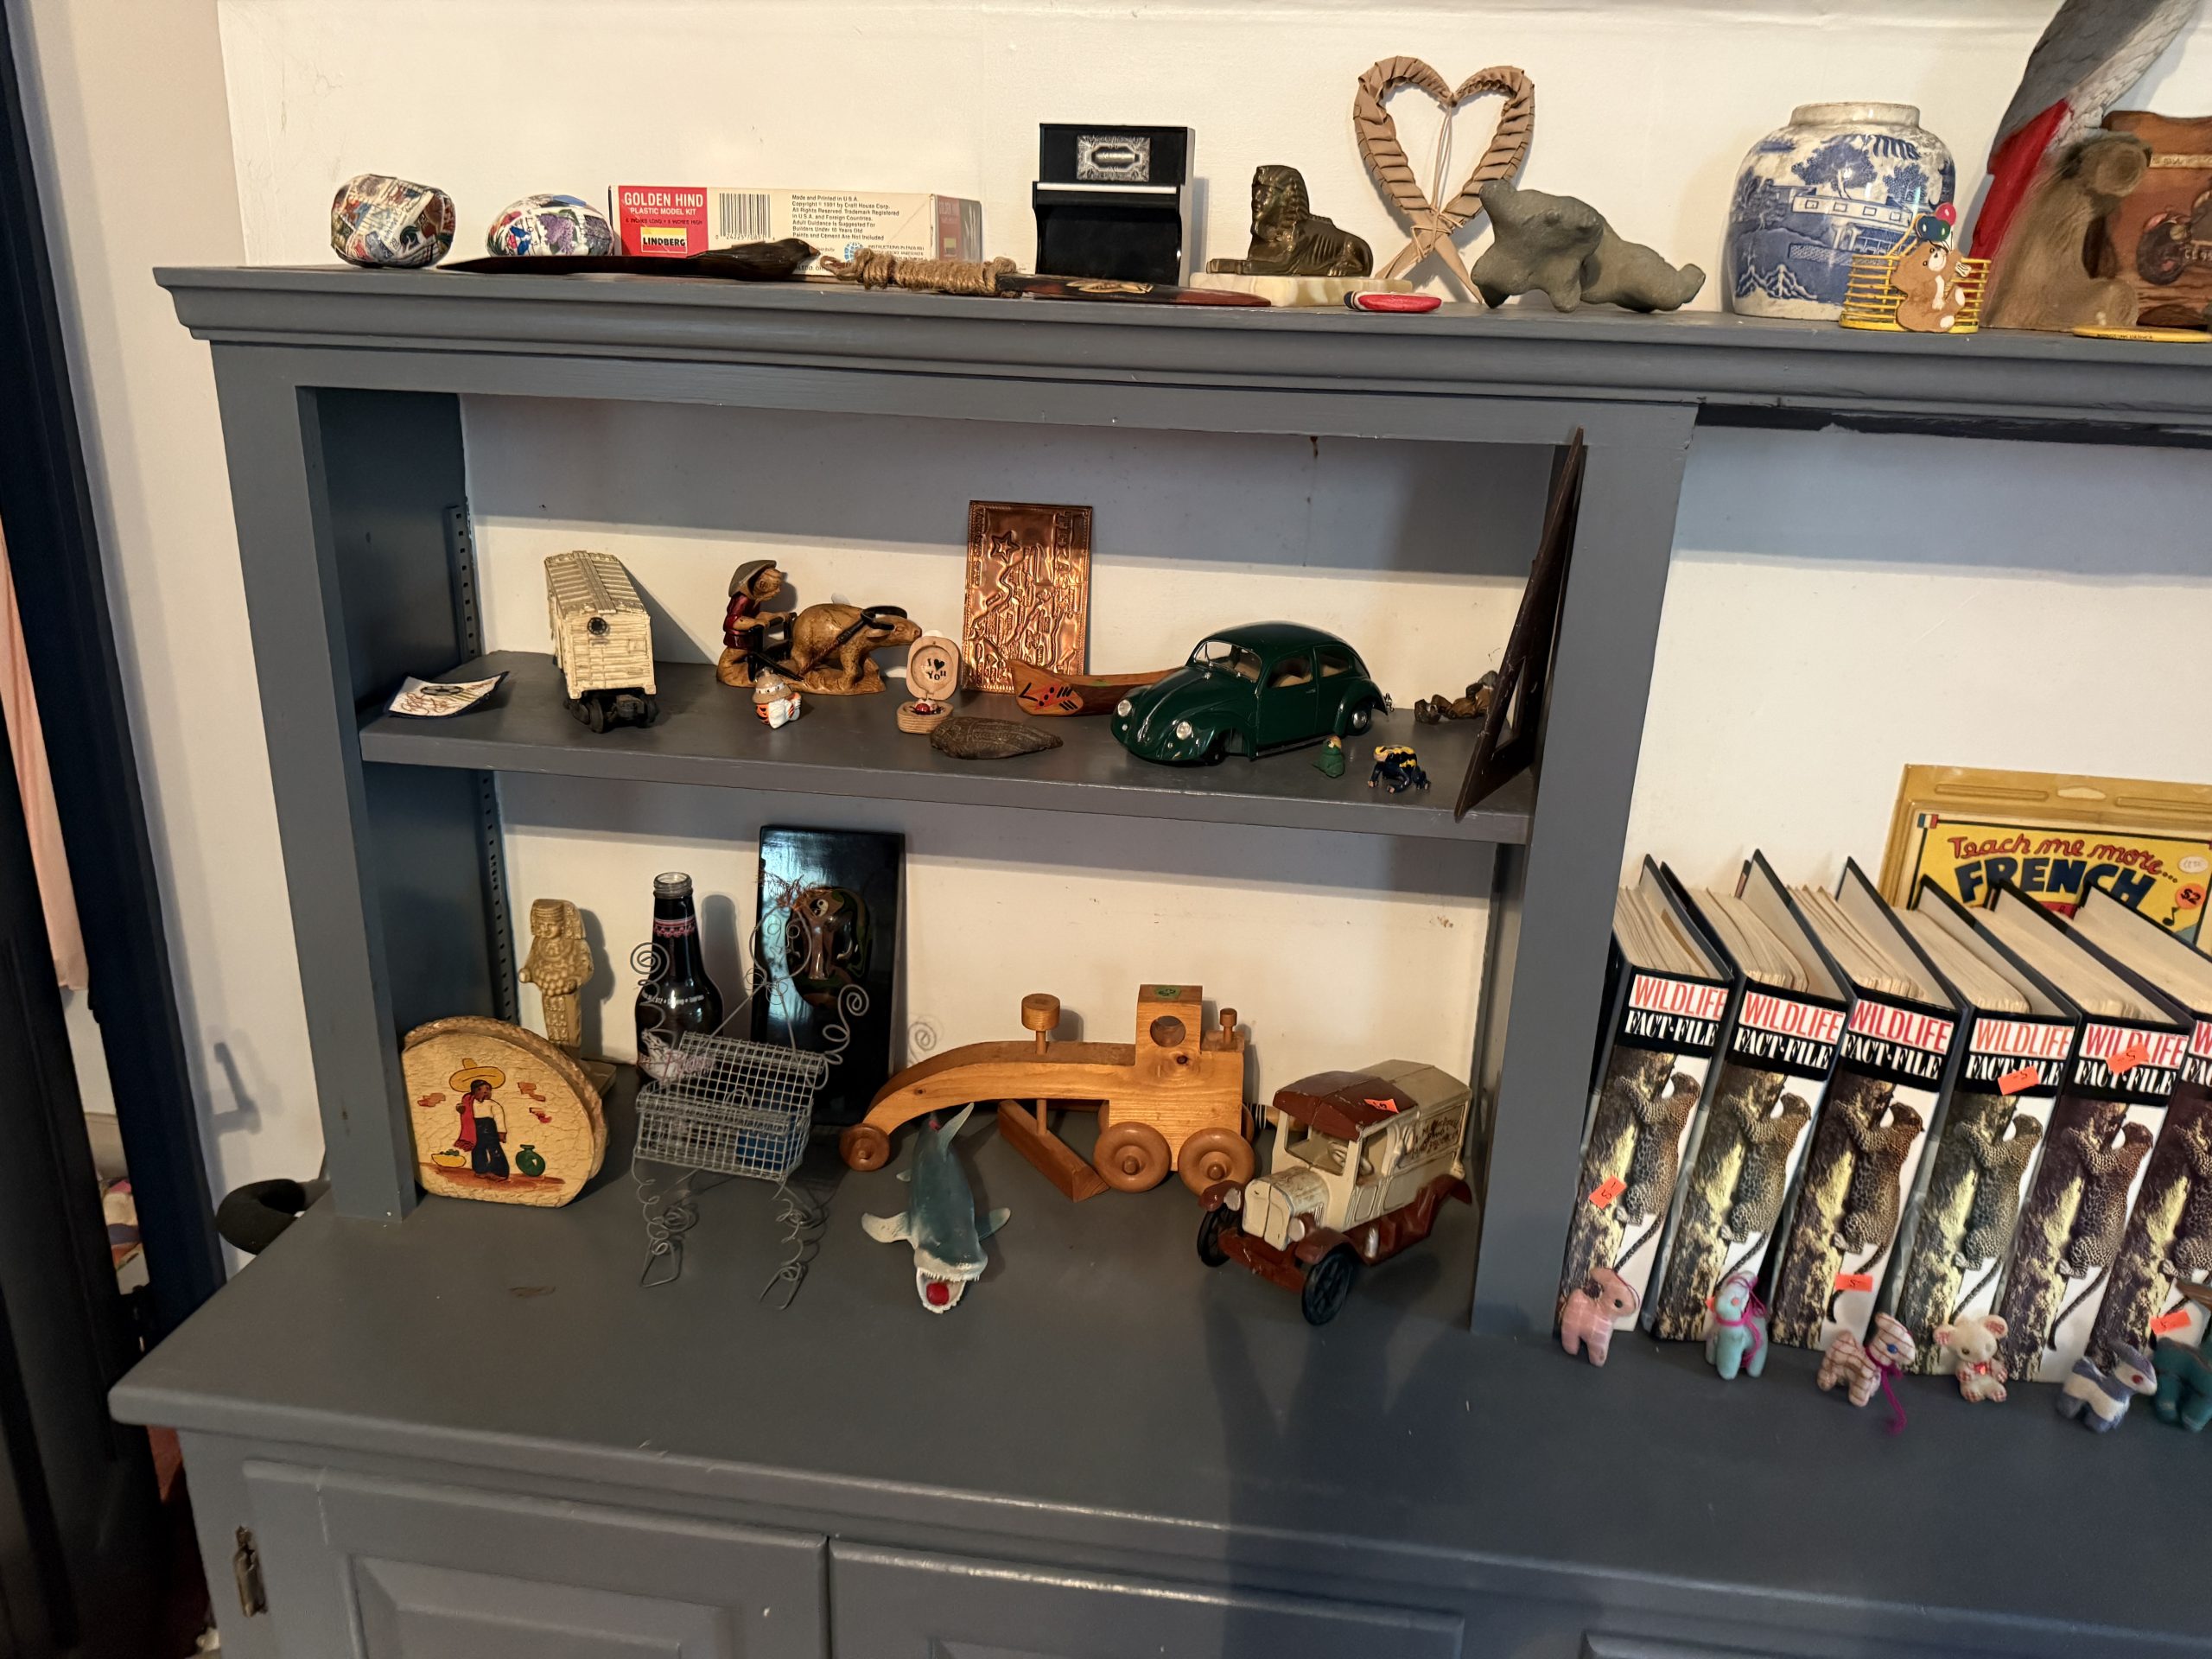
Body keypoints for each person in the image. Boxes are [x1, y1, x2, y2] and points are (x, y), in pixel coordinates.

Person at [718, 560, 787, 687]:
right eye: (775, 586)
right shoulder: (743, 599)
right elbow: (732, 621)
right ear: (762, 584)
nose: (778, 591)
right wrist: (755, 622)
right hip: (738, 641)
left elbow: (756, 616)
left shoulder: (755, 599)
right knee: (733, 658)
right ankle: (727, 672)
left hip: (749, 639)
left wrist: (775, 616)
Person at [449, 1062, 509, 1179]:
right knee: (477, 1149)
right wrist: (460, 1109)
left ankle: (499, 1172)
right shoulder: (470, 1103)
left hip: (489, 1128)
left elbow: (499, 1118)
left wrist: (501, 1132)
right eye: (480, 1089)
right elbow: (463, 1110)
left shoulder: (492, 1104)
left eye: (488, 1089)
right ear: (474, 1092)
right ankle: (481, 1170)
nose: (485, 1091)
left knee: (495, 1149)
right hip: (475, 1128)